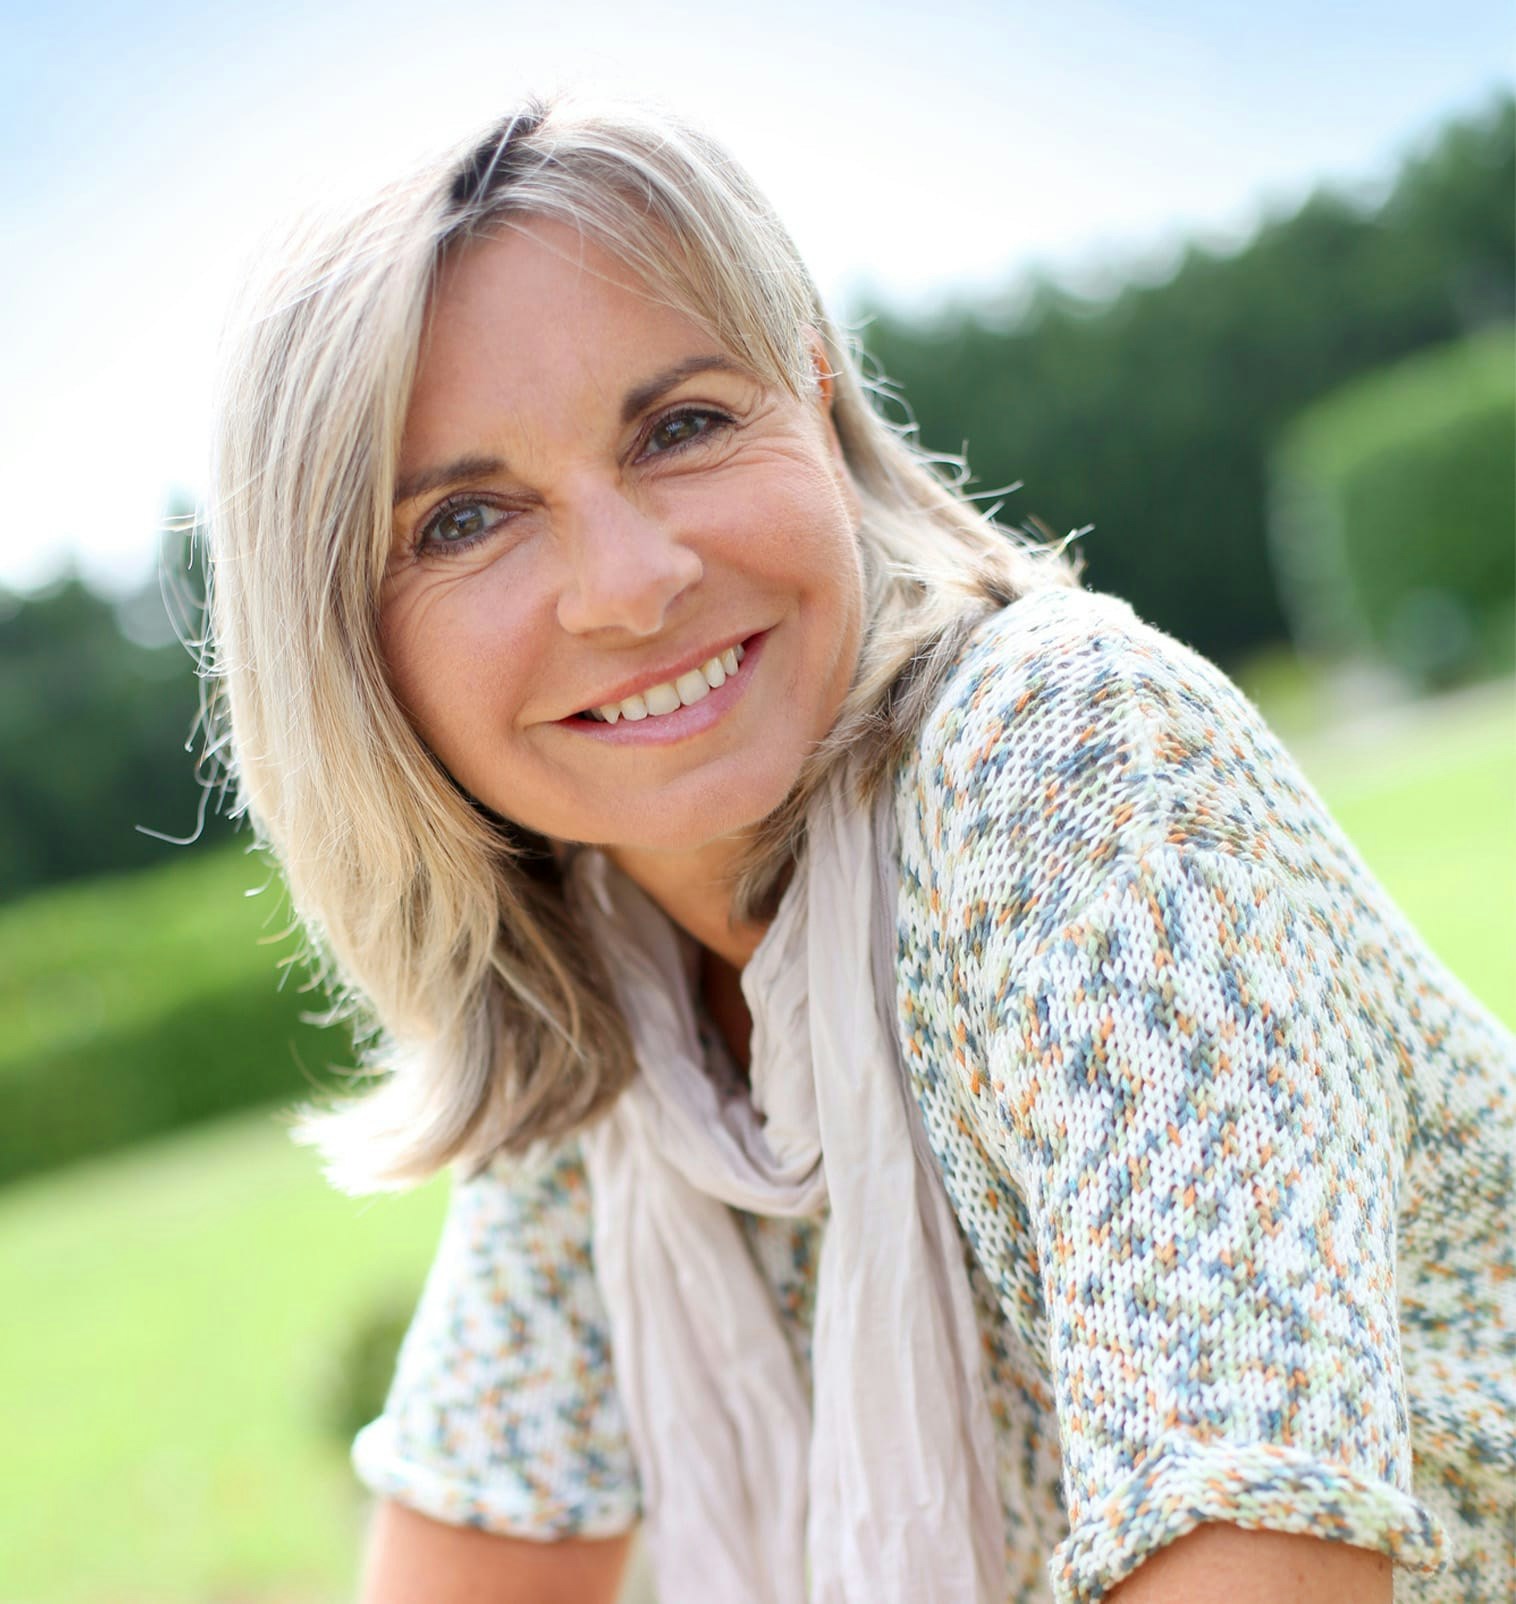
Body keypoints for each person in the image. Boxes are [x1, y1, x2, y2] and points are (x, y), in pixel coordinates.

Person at [203, 97, 1515, 1604]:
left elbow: (1259, 1552)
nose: (630, 587)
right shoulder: (617, 988)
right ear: (344, 648)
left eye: (682, 427)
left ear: (813, 396)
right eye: (467, 520)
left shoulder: (1066, 755)